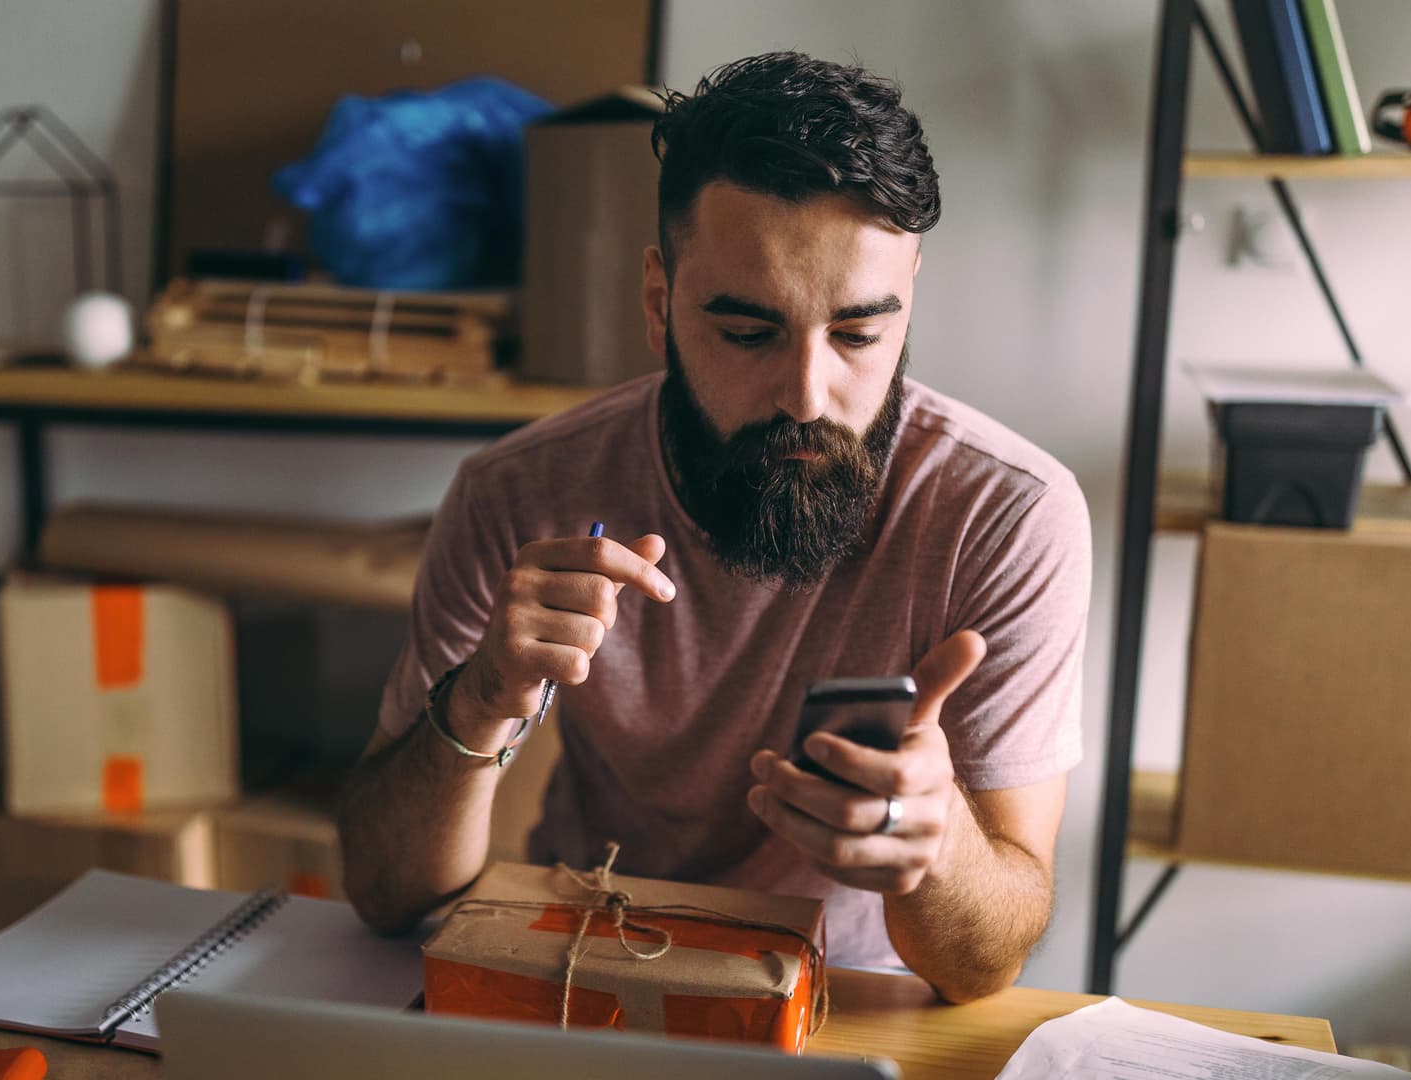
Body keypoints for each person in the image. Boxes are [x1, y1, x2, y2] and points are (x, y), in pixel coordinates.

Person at [337, 51, 1090, 1002]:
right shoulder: (518, 492)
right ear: (660, 301)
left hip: (851, 1000)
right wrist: (480, 696)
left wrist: (939, 850)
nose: (807, 396)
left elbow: (984, 968)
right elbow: (385, 895)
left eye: (859, 334)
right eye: (748, 333)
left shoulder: (1009, 514)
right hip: (583, 970)